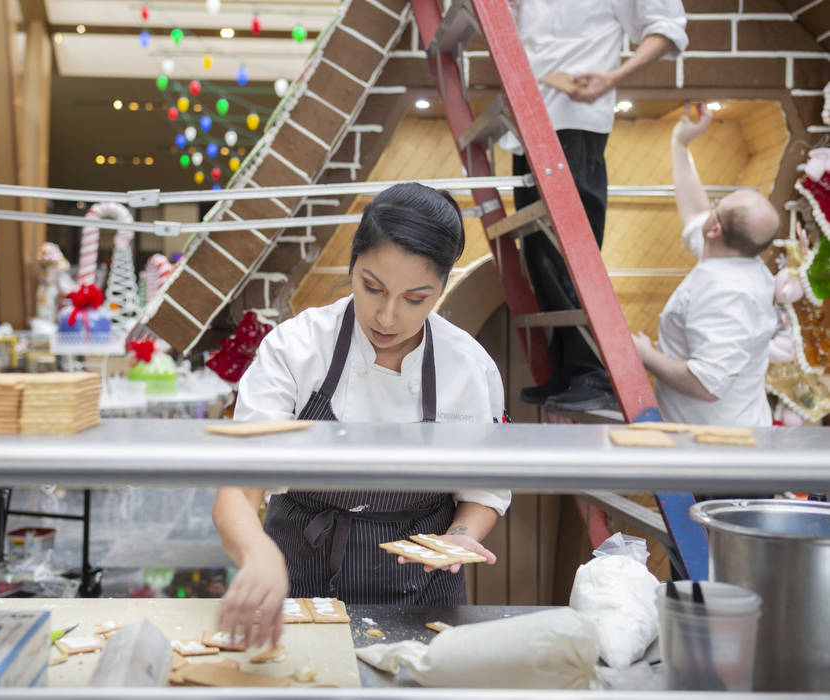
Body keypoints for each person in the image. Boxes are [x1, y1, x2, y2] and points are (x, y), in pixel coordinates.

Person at [212, 183, 510, 649]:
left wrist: (459, 536)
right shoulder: (297, 348)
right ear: (352, 265)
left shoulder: (468, 366)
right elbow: (239, 485)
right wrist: (256, 555)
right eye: (372, 287)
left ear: (442, 287)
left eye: (415, 298)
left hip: (422, 593)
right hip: (296, 575)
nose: (387, 316)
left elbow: (483, 488)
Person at [508, 0, 689, 411]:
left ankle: (594, 371)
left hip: (575, 120)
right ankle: (568, 370)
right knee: (538, 254)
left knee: (567, 253)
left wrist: (612, 78)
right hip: (529, 119)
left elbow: (668, 25)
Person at [632, 103, 779, 426]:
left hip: (725, 450)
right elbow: (694, 212)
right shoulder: (731, 256)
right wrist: (681, 144)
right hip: (712, 441)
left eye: (717, 206)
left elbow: (706, 383)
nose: (708, 207)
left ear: (715, 230)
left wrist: (644, 355)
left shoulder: (730, 294)